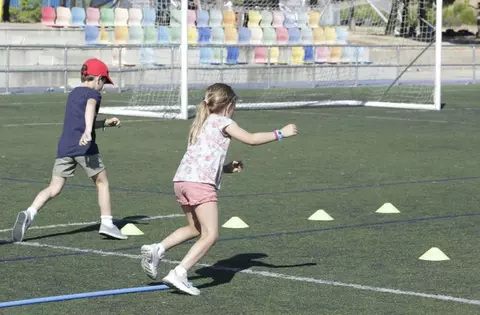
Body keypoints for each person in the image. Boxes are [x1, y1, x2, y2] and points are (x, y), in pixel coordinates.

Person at [140, 83, 298, 295]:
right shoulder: (224, 121)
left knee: (195, 228)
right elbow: (250, 139)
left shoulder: (200, 124)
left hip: (182, 182)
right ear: (229, 104)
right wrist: (281, 133)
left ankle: (157, 249)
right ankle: (180, 272)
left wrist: (225, 169)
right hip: (200, 184)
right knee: (211, 235)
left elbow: (200, 160)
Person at [12, 58, 127, 242]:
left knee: (54, 188)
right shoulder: (94, 95)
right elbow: (90, 107)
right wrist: (88, 131)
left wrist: (104, 123)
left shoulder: (73, 93)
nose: (103, 86)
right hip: (85, 148)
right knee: (102, 182)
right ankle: (107, 223)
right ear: (97, 79)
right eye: (104, 81)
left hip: (65, 147)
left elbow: (80, 121)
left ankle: (30, 213)